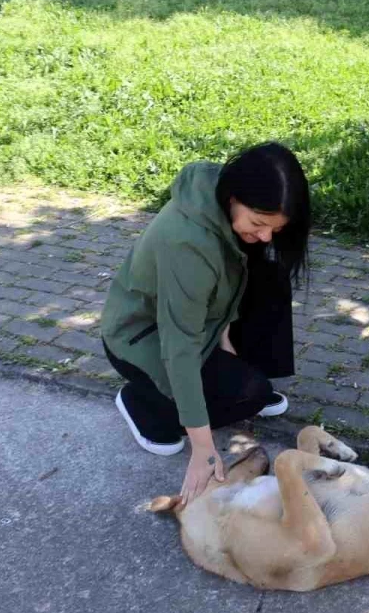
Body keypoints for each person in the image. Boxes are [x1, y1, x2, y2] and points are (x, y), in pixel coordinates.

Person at [101, 143, 310, 504]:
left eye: (274, 228)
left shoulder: (224, 197)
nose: (265, 236)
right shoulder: (187, 245)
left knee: (270, 279)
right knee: (250, 393)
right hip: (142, 337)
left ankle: (224, 383)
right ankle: (143, 403)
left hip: (197, 323)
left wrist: (226, 343)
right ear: (233, 198)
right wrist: (203, 449)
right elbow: (179, 348)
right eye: (259, 224)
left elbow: (230, 282)